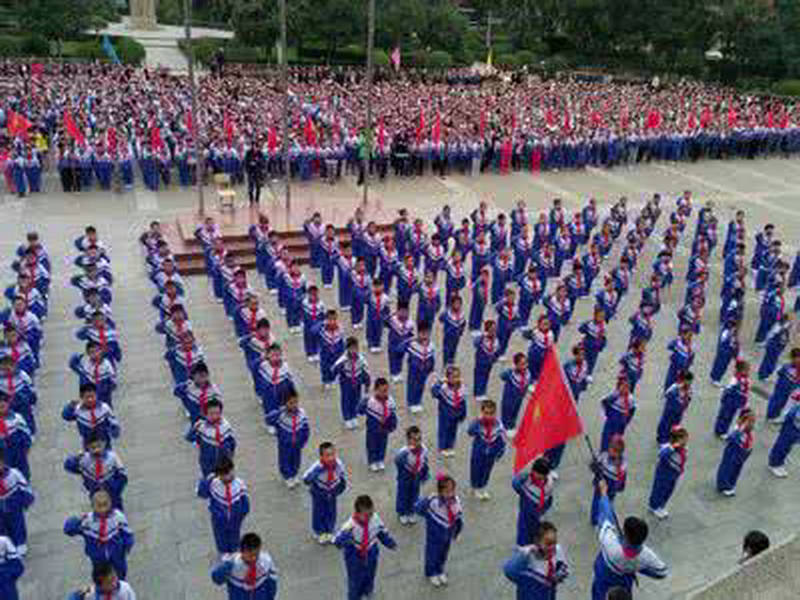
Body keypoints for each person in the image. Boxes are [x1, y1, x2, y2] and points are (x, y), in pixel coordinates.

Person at [591, 480, 668, 600]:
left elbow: (606, 517)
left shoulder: (611, 544)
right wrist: (638, 567)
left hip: (602, 581)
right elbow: (661, 572)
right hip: (624, 586)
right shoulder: (645, 556)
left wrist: (604, 494)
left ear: (625, 534)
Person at [334, 495, 397, 600]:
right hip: (355, 553)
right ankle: (354, 596)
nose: (370, 517)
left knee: (370, 573)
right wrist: (344, 539)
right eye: (367, 515)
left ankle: (368, 590)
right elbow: (337, 542)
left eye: (371, 512)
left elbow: (381, 532)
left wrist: (390, 543)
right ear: (358, 513)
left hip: (371, 550)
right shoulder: (350, 525)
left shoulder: (375, 519)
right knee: (355, 579)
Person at [63, 489, 135, 579]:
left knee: (120, 572)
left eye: (105, 504)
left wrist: (126, 547)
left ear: (110, 503)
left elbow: (127, 533)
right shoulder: (87, 521)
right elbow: (69, 530)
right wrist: (77, 520)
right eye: (99, 506)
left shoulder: (118, 517)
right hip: (98, 557)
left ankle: (120, 584)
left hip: (116, 554)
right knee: (100, 576)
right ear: (92, 506)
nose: (102, 509)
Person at [415, 474, 463, 587]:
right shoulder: (434, 502)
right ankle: (431, 573)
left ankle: (440, 570)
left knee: (443, 553)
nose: (450, 494)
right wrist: (427, 501)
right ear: (440, 491)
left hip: (448, 534)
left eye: (452, 490)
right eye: (447, 491)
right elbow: (419, 509)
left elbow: (458, 518)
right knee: (432, 554)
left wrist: (457, 532)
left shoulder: (456, 501)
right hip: (434, 535)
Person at [197, 455, 250, 557]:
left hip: (235, 518)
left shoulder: (239, 484)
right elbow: (201, 493)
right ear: (218, 475)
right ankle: (224, 552)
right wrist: (207, 480)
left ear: (232, 470)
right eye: (222, 475)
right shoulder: (213, 484)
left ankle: (234, 550)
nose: (226, 477)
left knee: (234, 535)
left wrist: (241, 515)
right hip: (218, 519)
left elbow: (245, 502)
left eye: (228, 473)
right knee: (220, 536)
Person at [502, 521, 569, 599]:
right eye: (548, 543)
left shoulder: (557, 550)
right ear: (537, 541)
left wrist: (559, 574)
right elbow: (509, 571)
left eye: (555, 542)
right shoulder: (526, 559)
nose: (552, 547)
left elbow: (563, 568)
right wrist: (524, 554)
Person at [64, 431, 128, 510]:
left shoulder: (112, 457)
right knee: (99, 513)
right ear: (87, 447)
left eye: (99, 446)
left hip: (112, 493)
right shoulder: (85, 460)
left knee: (116, 512)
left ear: (104, 444)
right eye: (93, 448)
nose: (97, 450)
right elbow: (69, 466)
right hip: (95, 495)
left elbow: (123, 476)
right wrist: (76, 458)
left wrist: (115, 490)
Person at [302, 442, 348, 544]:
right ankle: (319, 532)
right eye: (327, 455)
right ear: (321, 456)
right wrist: (316, 473)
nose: (331, 458)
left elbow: (343, 475)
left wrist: (340, 488)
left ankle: (329, 530)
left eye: (333, 454)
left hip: (332, 490)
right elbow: (306, 478)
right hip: (319, 491)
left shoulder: (338, 464)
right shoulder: (317, 466)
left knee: (331, 511)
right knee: (319, 512)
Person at [211, 532, 278, 600]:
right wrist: (226, 566)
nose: (254, 558)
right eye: (250, 555)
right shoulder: (232, 564)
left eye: (256, 554)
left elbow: (272, 582)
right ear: (241, 552)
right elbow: (216, 579)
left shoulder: (266, 561)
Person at [266, 389, 309, 488]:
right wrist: (279, 412)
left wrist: (303, 441)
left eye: (296, 402)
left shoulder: (302, 414)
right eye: (291, 403)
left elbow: (306, 428)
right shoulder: (280, 415)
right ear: (285, 403)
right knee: (285, 460)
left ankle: (294, 474)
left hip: (297, 443)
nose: (294, 405)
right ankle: (287, 476)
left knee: (296, 460)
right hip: (284, 444)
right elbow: (268, 419)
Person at [185, 398, 236, 477]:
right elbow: (189, 438)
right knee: (209, 480)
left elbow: (232, 442)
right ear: (205, 414)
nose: (215, 416)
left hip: (224, 461)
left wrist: (230, 455)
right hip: (207, 462)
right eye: (211, 414)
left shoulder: (226, 426)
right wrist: (194, 429)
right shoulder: (202, 427)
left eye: (218, 413)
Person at [467, 399, 506, 500]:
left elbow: (501, 440)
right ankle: (475, 487)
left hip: (491, 454)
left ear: (495, 413)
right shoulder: (478, 424)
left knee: (487, 470)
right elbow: (470, 432)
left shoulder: (498, 425)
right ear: (482, 412)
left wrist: (500, 453)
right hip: (478, 452)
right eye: (486, 413)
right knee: (476, 469)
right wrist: (477, 421)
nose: (489, 416)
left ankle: (483, 486)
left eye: (491, 413)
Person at [512, 457, 556, 546]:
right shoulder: (527, 480)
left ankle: (532, 545)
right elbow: (516, 485)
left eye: (540, 474)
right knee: (523, 531)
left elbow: (549, 498)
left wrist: (544, 510)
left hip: (538, 513)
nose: (536, 475)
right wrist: (518, 479)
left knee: (536, 532)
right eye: (535, 472)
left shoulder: (549, 484)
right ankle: (522, 547)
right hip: (526, 512)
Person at [648, 425, 688, 520]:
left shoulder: (682, 449)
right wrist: (672, 447)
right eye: (683, 439)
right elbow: (662, 454)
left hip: (674, 474)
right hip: (664, 474)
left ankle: (661, 505)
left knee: (668, 491)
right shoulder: (668, 448)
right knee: (659, 490)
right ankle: (654, 506)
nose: (686, 441)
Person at [358, 378, 398, 471]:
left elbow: (392, 415)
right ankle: (372, 461)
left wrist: (393, 425)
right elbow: (360, 411)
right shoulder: (370, 402)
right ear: (376, 390)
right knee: (372, 444)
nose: (384, 393)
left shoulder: (390, 401)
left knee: (383, 444)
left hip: (385, 428)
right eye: (382, 391)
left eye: (386, 391)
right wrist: (362, 403)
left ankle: (380, 459)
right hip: (372, 429)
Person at [0, 447, 34, 556]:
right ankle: (8, 547)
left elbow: (24, 487)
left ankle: (20, 543)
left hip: (14, 506)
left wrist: (27, 500)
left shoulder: (13, 474)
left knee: (18, 524)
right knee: (2, 528)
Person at [332, 337, 371, 429]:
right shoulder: (343, 359)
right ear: (347, 349)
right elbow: (334, 369)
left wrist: (367, 384)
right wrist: (336, 373)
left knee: (356, 399)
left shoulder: (361, 359)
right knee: (346, 400)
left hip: (357, 382)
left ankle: (354, 416)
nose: (354, 351)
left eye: (356, 348)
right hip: (346, 382)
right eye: (351, 348)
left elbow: (366, 372)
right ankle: (347, 418)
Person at [395, 425, 429, 525]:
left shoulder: (424, 450)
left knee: (415, 494)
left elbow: (424, 462)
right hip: (405, 476)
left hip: (417, 476)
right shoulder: (404, 452)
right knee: (403, 494)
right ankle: (402, 512)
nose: (417, 442)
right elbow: (398, 462)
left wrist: (424, 474)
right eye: (414, 439)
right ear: (408, 440)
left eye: (419, 439)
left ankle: (411, 510)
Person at [716, 408, 756, 496]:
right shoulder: (737, 430)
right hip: (733, 453)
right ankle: (723, 485)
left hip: (741, 455)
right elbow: (731, 438)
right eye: (750, 422)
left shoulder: (748, 433)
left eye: (753, 422)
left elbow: (748, 443)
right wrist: (740, 430)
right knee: (727, 468)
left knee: (735, 470)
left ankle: (730, 484)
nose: (752, 424)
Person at [431, 366, 468, 457]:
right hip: (445, 414)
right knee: (443, 430)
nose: (456, 379)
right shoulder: (444, 388)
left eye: (457, 376)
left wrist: (463, 414)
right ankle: (442, 447)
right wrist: (439, 382)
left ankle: (450, 446)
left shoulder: (462, 388)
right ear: (448, 378)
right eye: (453, 377)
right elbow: (434, 392)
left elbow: (463, 402)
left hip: (456, 414)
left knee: (453, 431)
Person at [590, 435, 627, 526]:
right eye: (611, 448)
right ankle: (594, 519)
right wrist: (594, 465)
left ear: (620, 452)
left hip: (611, 486)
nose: (612, 452)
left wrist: (619, 486)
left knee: (608, 502)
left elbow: (621, 477)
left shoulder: (622, 464)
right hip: (601, 482)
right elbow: (594, 466)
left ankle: (603, 516)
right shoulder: (603, 456)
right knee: (596, 501)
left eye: (616, 451)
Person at [714, 359, 750, 438]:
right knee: (725, 416)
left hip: (736, 402)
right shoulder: (736, 379)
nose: (748, 371)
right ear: (741, 370)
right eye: (747, 369)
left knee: (730, 417)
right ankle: (720, 431)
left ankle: (724, 430)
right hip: (730, 401)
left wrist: (744, 401)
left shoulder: (745, 379)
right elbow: (729, 389)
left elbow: (745, 392)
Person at [67, 562, 136, 600]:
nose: (114, 583)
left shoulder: (125, 588)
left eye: (114, 578)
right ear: (99, 585)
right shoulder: (90, 593)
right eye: (109, 582)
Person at [768, 398, 800, 478]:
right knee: (784, 442)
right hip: (796, 420)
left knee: (789, 442)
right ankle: (775, 463)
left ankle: (780, 458)